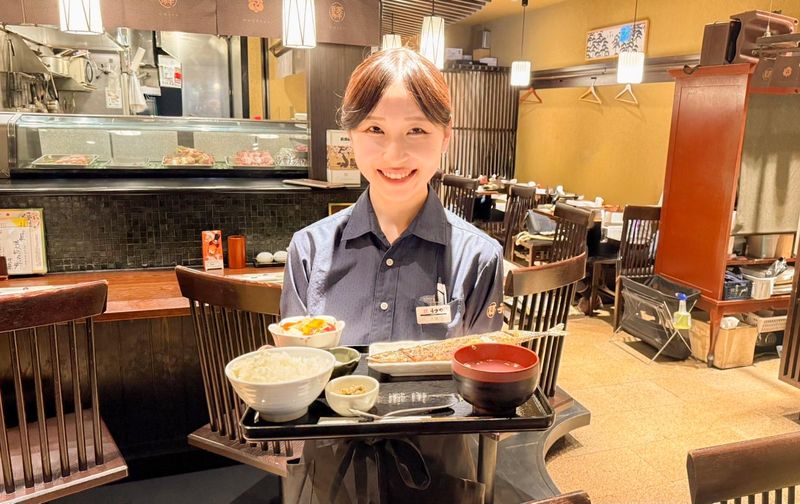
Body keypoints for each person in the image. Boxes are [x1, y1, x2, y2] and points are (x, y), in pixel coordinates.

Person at [280, 48, 504, 503]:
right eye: (374, 129)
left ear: (446, 137)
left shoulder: (480, 256)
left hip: (438, 470)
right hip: (333, 471)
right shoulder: (308, 250)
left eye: (416, 130)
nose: (394, 154)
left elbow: (485, 387)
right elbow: (295, 377)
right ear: (351, 136)